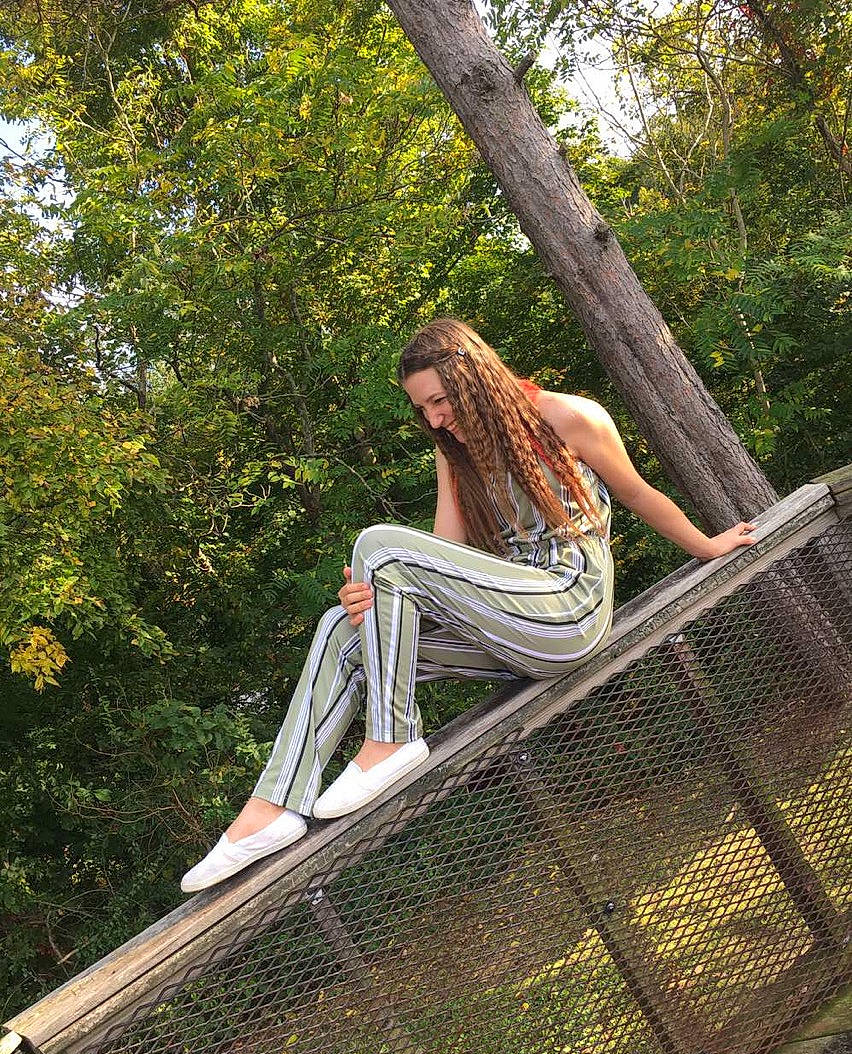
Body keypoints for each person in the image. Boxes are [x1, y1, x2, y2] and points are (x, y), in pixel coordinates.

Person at [180, 318, 756, 892]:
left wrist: (709, 546)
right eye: (422, 409)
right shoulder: (454, 456)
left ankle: (394, 736)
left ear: (473, 376)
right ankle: (271, 807)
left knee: (378, 545)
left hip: (569, 608)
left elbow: (636, 492)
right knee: (341, 628)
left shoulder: (568, 416)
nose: (433, 419)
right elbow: (441, 559)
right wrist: (374, 602)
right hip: (506, 633)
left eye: (439, 400)